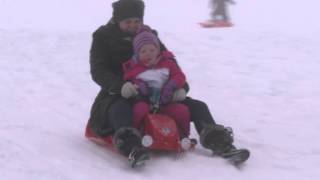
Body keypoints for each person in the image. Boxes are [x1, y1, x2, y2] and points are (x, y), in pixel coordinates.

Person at [87, 0, 249, 166]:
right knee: (120, 109)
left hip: (159, 92)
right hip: (123, 91)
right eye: (128, 22)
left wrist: (181, 88)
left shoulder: (149, 36)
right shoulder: (103, 37)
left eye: (137, 21)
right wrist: (120, 86)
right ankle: (131, 147)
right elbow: (99, 70)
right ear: (117, 20)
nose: (133, 25)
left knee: (198, 107)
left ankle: (221, 144)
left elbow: (169, 63)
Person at [122, 25, 190, 139]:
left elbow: (179, 75)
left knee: (182, 111)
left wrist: (172, 84)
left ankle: (183, 135)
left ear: (158, 50)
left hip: (165, 100)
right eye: (143, 51)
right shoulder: (134, 68)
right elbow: (129, 79)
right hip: (145, 101)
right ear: (137, 54)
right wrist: (139, 85)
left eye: (152, 50)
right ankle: (133, 135)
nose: (148, 53)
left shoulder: (167, 63)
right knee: (139, 110)